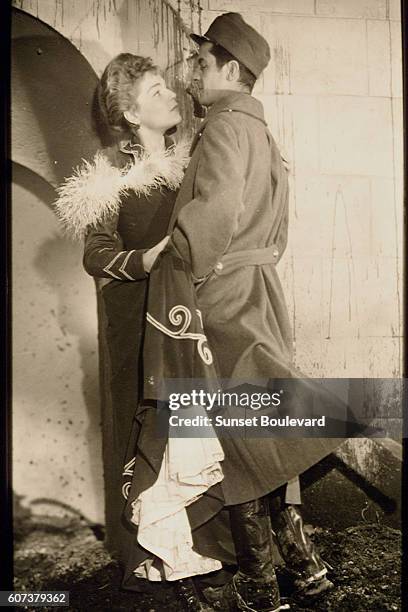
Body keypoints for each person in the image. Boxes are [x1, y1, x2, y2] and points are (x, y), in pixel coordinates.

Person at [147, 12, 348, 611]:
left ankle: (261, 586)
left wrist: (187, 270)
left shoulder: (225, 128)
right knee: (268, 423)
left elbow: (209, 220)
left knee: (237, 436)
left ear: (232, 70)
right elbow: (278, 227)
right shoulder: (264, 135)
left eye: (203, 65)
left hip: (226, 299)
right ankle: (304, 568)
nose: (193, 77)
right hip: (261, 291)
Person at [54, 54, 222, 611]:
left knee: (188, 423)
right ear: (129, 112)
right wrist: (146, 259)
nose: (171, 95)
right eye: (156, 91)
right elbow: (95, 255)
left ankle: (197, 550)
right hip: (132, 322)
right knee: (141, 424)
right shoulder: (108, 174)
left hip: (182, 317)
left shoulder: (192, 159)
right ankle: (149, 556)